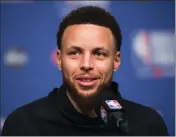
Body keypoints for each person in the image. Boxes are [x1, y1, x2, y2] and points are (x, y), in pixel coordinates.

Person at [1, 6, 169, 136]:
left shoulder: (147, 126)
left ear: (116, 61)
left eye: (99, 54)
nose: (86, 64)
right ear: (59, 59)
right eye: (75, 53)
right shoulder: (24, 125)